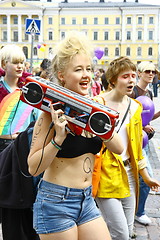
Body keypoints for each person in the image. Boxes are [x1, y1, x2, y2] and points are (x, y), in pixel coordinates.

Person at [27, 31, 124, 240]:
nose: (86, 74)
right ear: (62, 74)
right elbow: (33, 167)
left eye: (89, 68)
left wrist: (100, 128)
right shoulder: (49, 112)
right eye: (78, 69)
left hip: (86, 199)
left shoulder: (96, 107)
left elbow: (119, 148)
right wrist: (58, 139)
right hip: (55, 202)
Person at [94, 57, 160, 240]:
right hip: (106, 173)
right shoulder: (97, 103)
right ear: (113, 79)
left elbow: (137, 146)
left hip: (130, 174)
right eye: (125, 76)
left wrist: (146, 176)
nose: (131, 80)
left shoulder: (135, 107)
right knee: (121, 234)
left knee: (128, 229)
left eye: (133, 75)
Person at [0, 44, 40, 240]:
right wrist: (9, 136)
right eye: (15, 62)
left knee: (23, 201)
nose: (20, 66)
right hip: (3, 151)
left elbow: (36, 119)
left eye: (22, 62)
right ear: (3, 64)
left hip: (23, 152)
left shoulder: (30, 90)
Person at [128, 61, 160, 225]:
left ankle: (136, 210)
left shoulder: (149, 94)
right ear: (139, 73)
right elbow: (128, 117)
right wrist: (142, 126)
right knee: (146, 178)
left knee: (140, 178)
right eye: (147, 71)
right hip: (132, 141)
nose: (151, 74)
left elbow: (148, 115)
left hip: (144, 141)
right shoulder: (133, 91)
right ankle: (138, 212)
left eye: (153, 72)